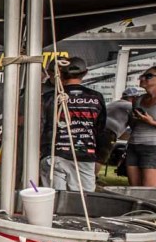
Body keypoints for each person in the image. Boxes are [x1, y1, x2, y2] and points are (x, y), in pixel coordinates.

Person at [39, 56, 107, 192]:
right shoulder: (96, 97)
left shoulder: (49, 97)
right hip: (85, 154)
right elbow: (100, 128)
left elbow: (40, 126)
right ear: (85, 73)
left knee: (54, 198)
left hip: (54, 154)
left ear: (60, 73)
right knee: (83, 198)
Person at [127, 65, 156, 187]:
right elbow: (133, 124)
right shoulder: (138, 99)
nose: (142, 78)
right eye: (142, 76)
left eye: (148, 76)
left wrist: (152, 122)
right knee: (134, 190)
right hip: (134, 145)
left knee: (148, 191)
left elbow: (150, 122)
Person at [103, 86, 143, 169]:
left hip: (97, 130)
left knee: (94, 155)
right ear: (134, 98)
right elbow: (135, 126)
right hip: (108, 132)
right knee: (100, 158)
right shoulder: (130, 106)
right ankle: (93, 175)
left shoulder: (113, 103)